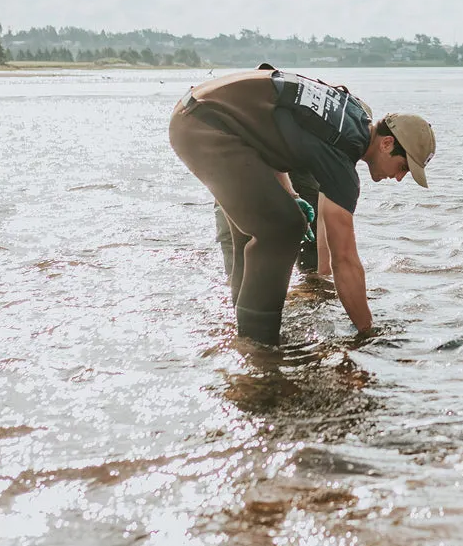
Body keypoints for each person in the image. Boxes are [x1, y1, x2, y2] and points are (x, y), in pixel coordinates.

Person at [170, 66, 436, 342]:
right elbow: (344, 260)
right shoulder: (342, 157)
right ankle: (259, 345)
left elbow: (273, 129)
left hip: (202, 113)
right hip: (207, 126)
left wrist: (291, 194)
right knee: (281, 229)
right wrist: (368, 332)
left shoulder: (349, 113)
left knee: (259, 225)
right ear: (387, 143)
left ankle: (242, 333)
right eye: (403, 167)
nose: (400, 177)